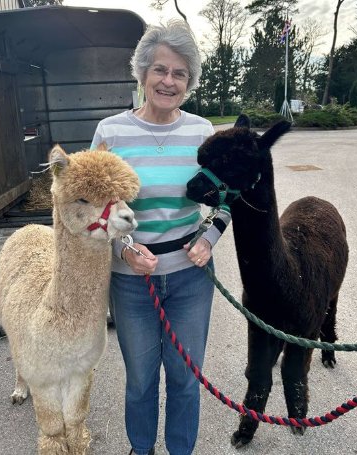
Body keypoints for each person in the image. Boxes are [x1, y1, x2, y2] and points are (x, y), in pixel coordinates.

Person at [91, 20, 231, 455]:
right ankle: (141, 448)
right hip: (132, 283)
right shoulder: (110, 134)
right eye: (160, 70)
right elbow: (95, 211)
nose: (168, 81)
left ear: (189, 82)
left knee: (187, 380)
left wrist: (209, 238)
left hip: (191, 279)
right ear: (142, 73)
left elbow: (227, 200)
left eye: (179, 74)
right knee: (140, 380)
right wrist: (125, 247)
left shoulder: (202, 132)